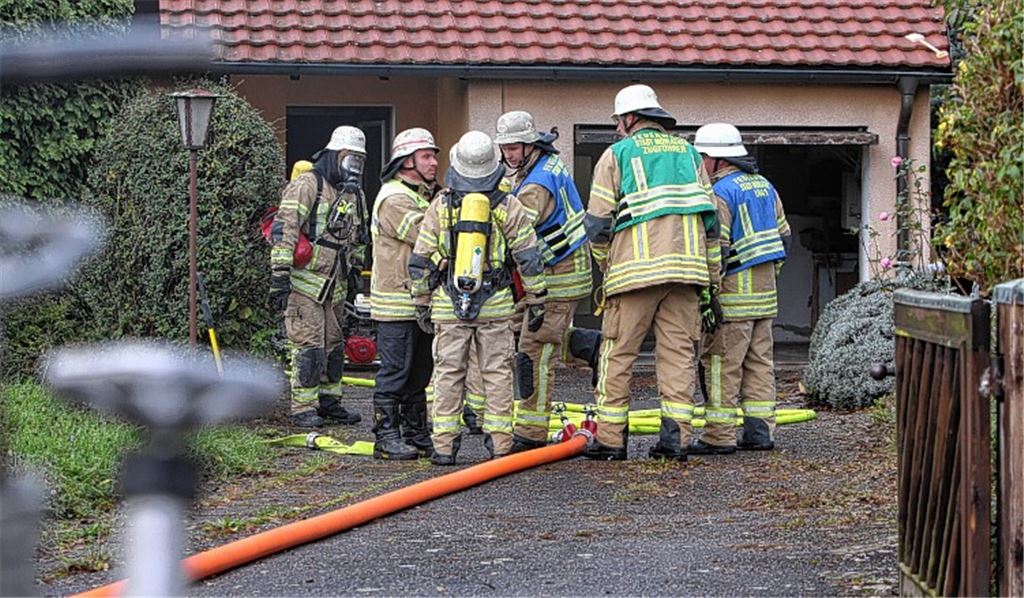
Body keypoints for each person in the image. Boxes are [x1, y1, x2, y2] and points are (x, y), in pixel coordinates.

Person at [582, 84, 721, 461]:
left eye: (618, 122)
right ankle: (676, 439)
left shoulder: (618, 154)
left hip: (633, 276)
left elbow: (597, 223)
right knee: (678, 355)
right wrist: (712, 278)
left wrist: (605, 265)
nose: (617, 129)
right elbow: (711, 223)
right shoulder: (691, 155)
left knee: (618, 352)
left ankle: (611, 439)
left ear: (629, 118)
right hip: (687, 275)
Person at [409, 131, 547, 465]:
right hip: (496, 306)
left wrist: (422, 301)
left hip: (448, 304)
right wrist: (537, 296)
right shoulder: (508, 205)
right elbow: (529, 257)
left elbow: (421, 258)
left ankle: (443, 446)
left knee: (447, 373)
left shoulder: (441, 205)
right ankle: (500, 444)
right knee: (497, 373)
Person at [493, 110, 600, 453]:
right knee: (533, 336)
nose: (509, 154)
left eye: (514, 147)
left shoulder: (536, 186)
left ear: (530, 144)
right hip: (558, 272)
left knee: (535, 351)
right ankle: (589, 347)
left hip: (557, 277)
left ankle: (530, 432)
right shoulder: (544, 167)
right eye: (505, 148)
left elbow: (515, 230)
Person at [691, 122, 791, 454]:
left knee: (720, 365)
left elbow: (716, 248)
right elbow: (784, 238)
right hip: (765, 298)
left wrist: (709, 293)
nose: (699, 164)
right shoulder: (765, 185)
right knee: (760, 365)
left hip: (732, 298)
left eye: (701, 156)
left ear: (717, 159)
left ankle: (718, 436)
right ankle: (760, 432)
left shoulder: (720, 193)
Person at [268, 125, 368, 427]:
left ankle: (329, 401)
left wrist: (356, 278)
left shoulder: (354, 194)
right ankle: (303, 407)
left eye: (360, 160)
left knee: (333, 346)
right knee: (308, 346)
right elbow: (285, 229)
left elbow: (358, 237)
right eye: (351, 158)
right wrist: (280, 275)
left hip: (335, 284)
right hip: (304, 284)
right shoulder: (308, 184)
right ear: (335, 154)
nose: (355, 166)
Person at [369, 128, 441, 459]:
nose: (434, 162)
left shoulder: (423, 194)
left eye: (433, 155)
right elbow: (426, 237)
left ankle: (415, 432)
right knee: (395, 372)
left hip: (419, 301)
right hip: (396, 304)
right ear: (406, 161)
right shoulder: (393, 198)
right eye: (427, 156)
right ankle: (386, 437)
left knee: (419, 372)